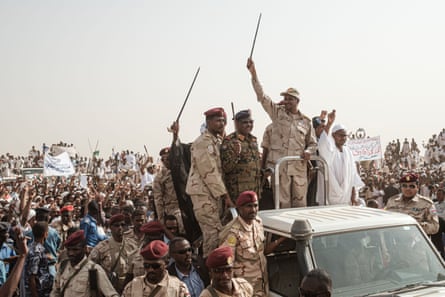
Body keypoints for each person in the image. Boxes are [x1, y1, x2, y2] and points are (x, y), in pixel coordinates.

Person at [246, 58, 317, 208]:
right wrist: (254, 74)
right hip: (281, 170)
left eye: (290, 99)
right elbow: (262, 97)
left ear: (297, 101)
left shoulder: (306, 121)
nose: (286, 101)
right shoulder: (277, 114)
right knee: (282, 206)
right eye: (285, 98)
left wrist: (308, 152)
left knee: (300, 206)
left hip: (298, 170)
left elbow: (312, 143)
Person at [186, 108, 234, 258]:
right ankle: (210, 271)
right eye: (217, 121)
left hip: (213, 194)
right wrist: (226, 196)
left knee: (217, 232)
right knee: (212, 235)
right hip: (203, 194)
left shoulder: (216, 141)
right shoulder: (203, 142)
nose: (221, 124)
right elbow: (209, 173)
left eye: (223, 121)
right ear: (208, 122)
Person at [219, 191, 285, 296]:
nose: (253, 210)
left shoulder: (258, 223)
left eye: (256, 206)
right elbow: (226, 265)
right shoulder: (232, 232)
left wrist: (280, 240)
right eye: (249, 206)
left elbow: (262, 252)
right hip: (244, 288)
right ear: (239, 208)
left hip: (262, 284)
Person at [50, 230, 119, 297]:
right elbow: (56, 291)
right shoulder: (63, 266)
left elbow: (111, 294)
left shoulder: (94, 270)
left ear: (85, 249)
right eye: (68, 249)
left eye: (75, 250)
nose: (71, 253)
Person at [317, 110, 364, 205]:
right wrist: (329, 124)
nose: (343, 138)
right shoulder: (330, 149)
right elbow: (322, 144)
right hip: (330, 197)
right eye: (340, 135)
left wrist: (354, 194)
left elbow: (353, 175)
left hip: (346, 199)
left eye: (345, 136)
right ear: (333, 135)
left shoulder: (348, 152)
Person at [220, 109, 261, 205]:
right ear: (237, 124)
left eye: (251, 122)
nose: (249, 125)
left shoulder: (253, 140)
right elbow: (226, 168)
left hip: (254, 190)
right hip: (238, 192)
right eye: (245, 122)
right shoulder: (230, 141)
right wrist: (235, 154)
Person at [122, 240, 190, 297]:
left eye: (155, 266)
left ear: (166, 263)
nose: (151, 270)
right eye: (147, 266)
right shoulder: (132, 286)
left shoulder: (178, 288)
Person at [89, 214, 136, 294]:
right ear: (110, 227)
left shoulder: (132, 245)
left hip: (129, 288)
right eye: (116, 225)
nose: (120, 228)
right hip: (109, 289)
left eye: (122, 225)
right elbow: (90, 266)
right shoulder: (102, 247)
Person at [153, 147, 185, 234]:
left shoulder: (183, 170)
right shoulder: (160, 177)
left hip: (187, 205)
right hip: (173, 208)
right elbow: (158, 199)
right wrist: (161, 219)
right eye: (164, 159)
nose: (166, 161)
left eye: (168, 158)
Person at [25, 221, 53, 297]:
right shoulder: (36, 251)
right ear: (46, 234)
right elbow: (32, 276)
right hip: (38, 291)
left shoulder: (32, 247)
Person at [0, 226, 28, 297]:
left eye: (6, 233)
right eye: (3, 233)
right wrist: (22, 256)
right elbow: (4, 294)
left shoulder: (9, 247)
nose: (6, 235)